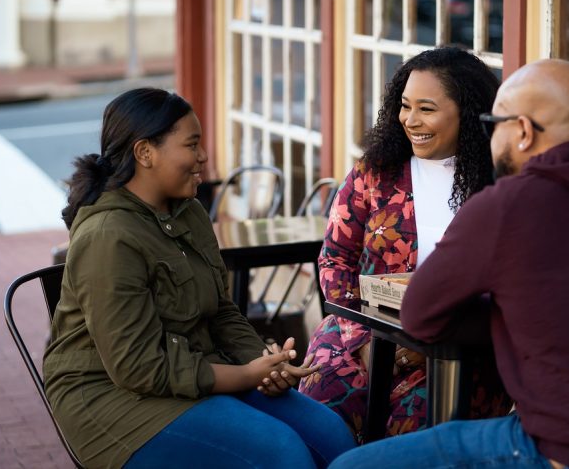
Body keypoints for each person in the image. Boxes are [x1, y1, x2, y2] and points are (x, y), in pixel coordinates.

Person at [329, 59, 569, 469]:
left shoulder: (506, 205)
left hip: (568, 451)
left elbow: (420, 315)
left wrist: (502, 312)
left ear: (523, 131)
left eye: (496, 123)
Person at [43, 88, 356, 468]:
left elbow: (221, 312)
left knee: (331, 434)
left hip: (193, 370)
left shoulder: (188, 212)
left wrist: (263, 363)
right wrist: (243, 375)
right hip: (113, 400)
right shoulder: (109, 236)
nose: (203, 157)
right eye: (191, 145)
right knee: (281, 453)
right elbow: (138, 368)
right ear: (145, 153)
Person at [298, 47, 511, 439]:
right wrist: (362, 338)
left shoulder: (499, 186)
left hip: (456, 349)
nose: (411, 121)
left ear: (467, 111)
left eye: (427, 109)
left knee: (414, 430)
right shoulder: (374, 173)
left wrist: (428, 337)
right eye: (405, 106)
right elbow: (335, 259)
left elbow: (507, 286)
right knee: (319, 410)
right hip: (359, 334)